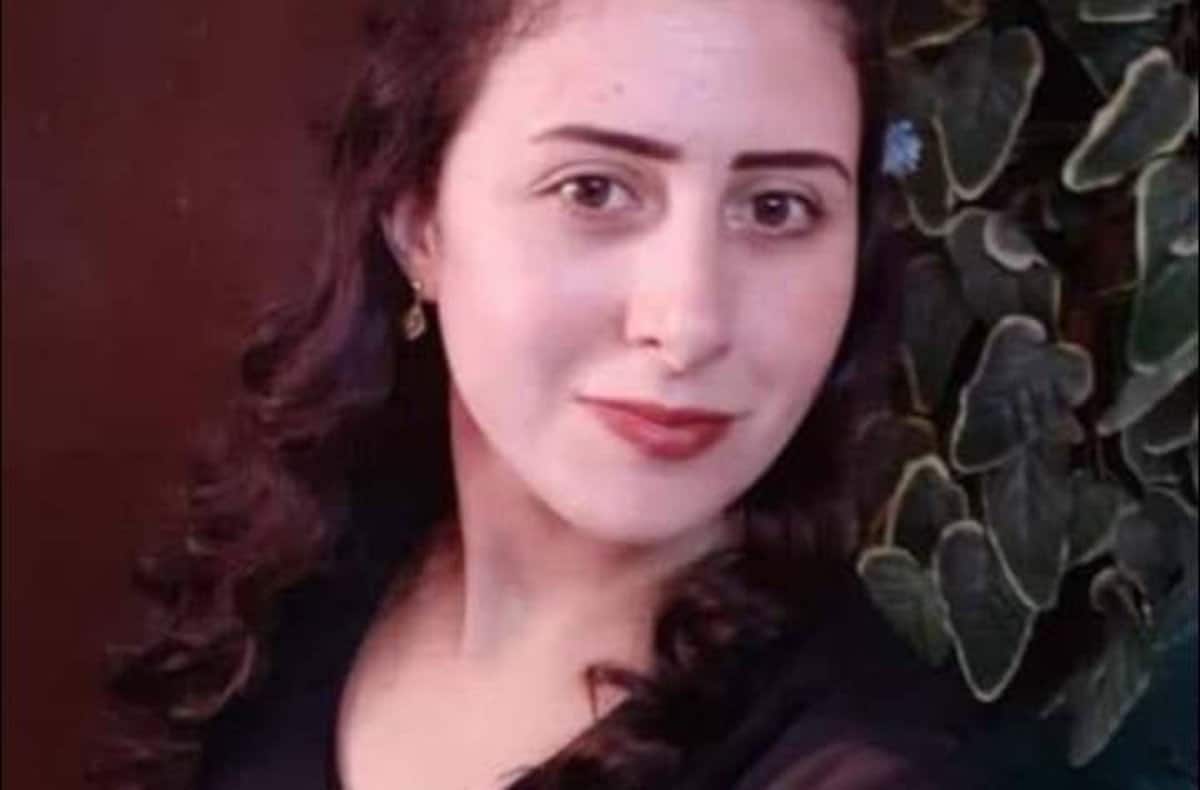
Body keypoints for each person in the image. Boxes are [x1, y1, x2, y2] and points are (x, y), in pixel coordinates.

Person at [92, 0, 1004, 787]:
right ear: (417, 218)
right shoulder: (311, 574)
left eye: (777, 207)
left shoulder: (866, 762)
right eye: (593, 190)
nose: (688, 323)